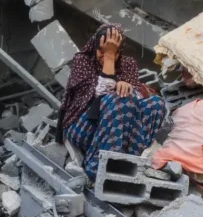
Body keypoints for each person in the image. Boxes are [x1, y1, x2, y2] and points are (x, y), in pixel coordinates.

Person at [57, 23, 166, 180]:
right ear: (95, 46)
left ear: (119, 51)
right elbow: (98, 99)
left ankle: (130, 164)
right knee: (119, 100)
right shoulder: (83, 61)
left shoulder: (128, 64)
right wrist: (109, 60)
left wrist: (128, 88)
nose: (105, 55)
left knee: (155, 104)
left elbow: (137, 102)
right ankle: (96, 168)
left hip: (119, 131)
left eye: (113, 52)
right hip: (83, 126)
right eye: (102, 50)